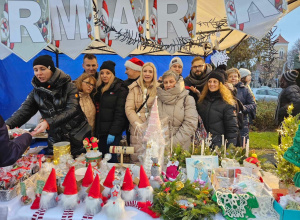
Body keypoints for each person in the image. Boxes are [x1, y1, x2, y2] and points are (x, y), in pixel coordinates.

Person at [6, 55, 91, 156]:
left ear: (51, 69)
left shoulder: (69, 86)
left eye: (43, 69)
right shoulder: (36, 92)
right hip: (55, 140)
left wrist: (48, 122)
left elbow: (72, 109)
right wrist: (7, 125)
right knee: (57, 169)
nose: (39, 73)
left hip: (77, 138)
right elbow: (24, 111)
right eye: (35, 70)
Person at [94, 61, 128, 162]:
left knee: (111, 160)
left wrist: (113, 132)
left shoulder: (120, 88)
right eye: (102, 73)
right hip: (100, 132)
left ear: (113, 74)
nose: (104, 76)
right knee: (101, 159)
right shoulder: (99, 88)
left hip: (112, 132)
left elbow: (120, 113)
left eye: (108, 73)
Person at [157, 70, 198, 151]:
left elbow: (190, 124)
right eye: (166, 82)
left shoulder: (187, 99)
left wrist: (172, 144)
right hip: (161, 148)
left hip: (181, 148)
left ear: (177, 82)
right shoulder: (158, 100)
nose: (168, 85)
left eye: (171, 81)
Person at [125, 62, 158, 162]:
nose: (147, 74)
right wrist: (139, 125)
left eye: (150, 71)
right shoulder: (133, 88)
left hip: (153, 128)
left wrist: (151, 125)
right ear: (141, 72)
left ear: (154, 74)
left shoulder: (159, 88)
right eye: (145, 71)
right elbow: (129, 109)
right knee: (137, 157)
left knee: (152, 159)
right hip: (136, 129)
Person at [197, 70, 238, 147]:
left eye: (215, 82)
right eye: (209, 81)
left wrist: (230, 148)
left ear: (220, 84)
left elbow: (232, 129)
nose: (211, 84)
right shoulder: (202, 102)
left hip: (219, 145)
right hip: (203, 144)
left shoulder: (227, 103)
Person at [226, 68, 256, 144]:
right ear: (227, 78)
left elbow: (253, 104)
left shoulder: (245, 90)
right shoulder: (223, 90)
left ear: (239, 78)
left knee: (242, 146)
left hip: (241, 122)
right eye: (230, 76)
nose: (233, 78)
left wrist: (243, 108)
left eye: (235, 76)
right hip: (227, 121)